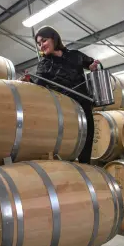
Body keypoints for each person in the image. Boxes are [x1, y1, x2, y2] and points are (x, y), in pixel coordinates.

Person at [25, 26, 100, 164]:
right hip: (64, 109)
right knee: (67, 144)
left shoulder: (75, 55)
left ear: (54, 38)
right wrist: (28, 81)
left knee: (87, 140)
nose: (41, 46)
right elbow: (38, 87)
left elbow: (91, 64)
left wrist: (93, 66)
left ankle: (85, 171)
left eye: (44, 41)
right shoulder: (44, 65)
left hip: (84, 105)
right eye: (39, 44)